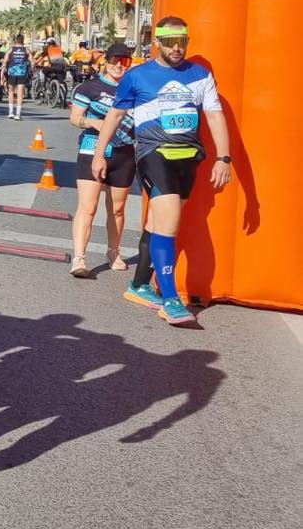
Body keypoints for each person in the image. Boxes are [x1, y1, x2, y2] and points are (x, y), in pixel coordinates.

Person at [91, 17, 231, 326]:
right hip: (153, 154)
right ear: (157, 42)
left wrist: (224, 157)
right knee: (169, 224)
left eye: (183, 42)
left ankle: (139, 285)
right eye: (170, 42)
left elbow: (215, 115)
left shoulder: (200, 74)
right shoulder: (138, 76)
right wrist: (100, 154)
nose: (177, 48)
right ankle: (170, 300)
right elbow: (114, 116)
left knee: (157, 224)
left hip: (188, 158)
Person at [69, 43, 135, 278]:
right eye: (115, 60)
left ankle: (113, 251)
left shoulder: (134, 89)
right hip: (91, 148)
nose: (119, 65)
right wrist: (93, 123)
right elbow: (75, 118)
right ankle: (79, 257)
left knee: (117, 209)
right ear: (105, 61)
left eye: (125, 61)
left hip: (124, 152)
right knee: (88, 207)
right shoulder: (89, 88)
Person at [3, 34, 31, 120]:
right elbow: (32, 61)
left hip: (11, 73)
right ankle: (18, 114)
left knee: (10, 91)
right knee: (20, 93)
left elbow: (5, 61)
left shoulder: (11, 49)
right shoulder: (26, 50)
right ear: (23, 40)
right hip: (22, 73)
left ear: (16, 40)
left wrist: (4, 68)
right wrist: (32, 68)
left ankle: (11, 112)